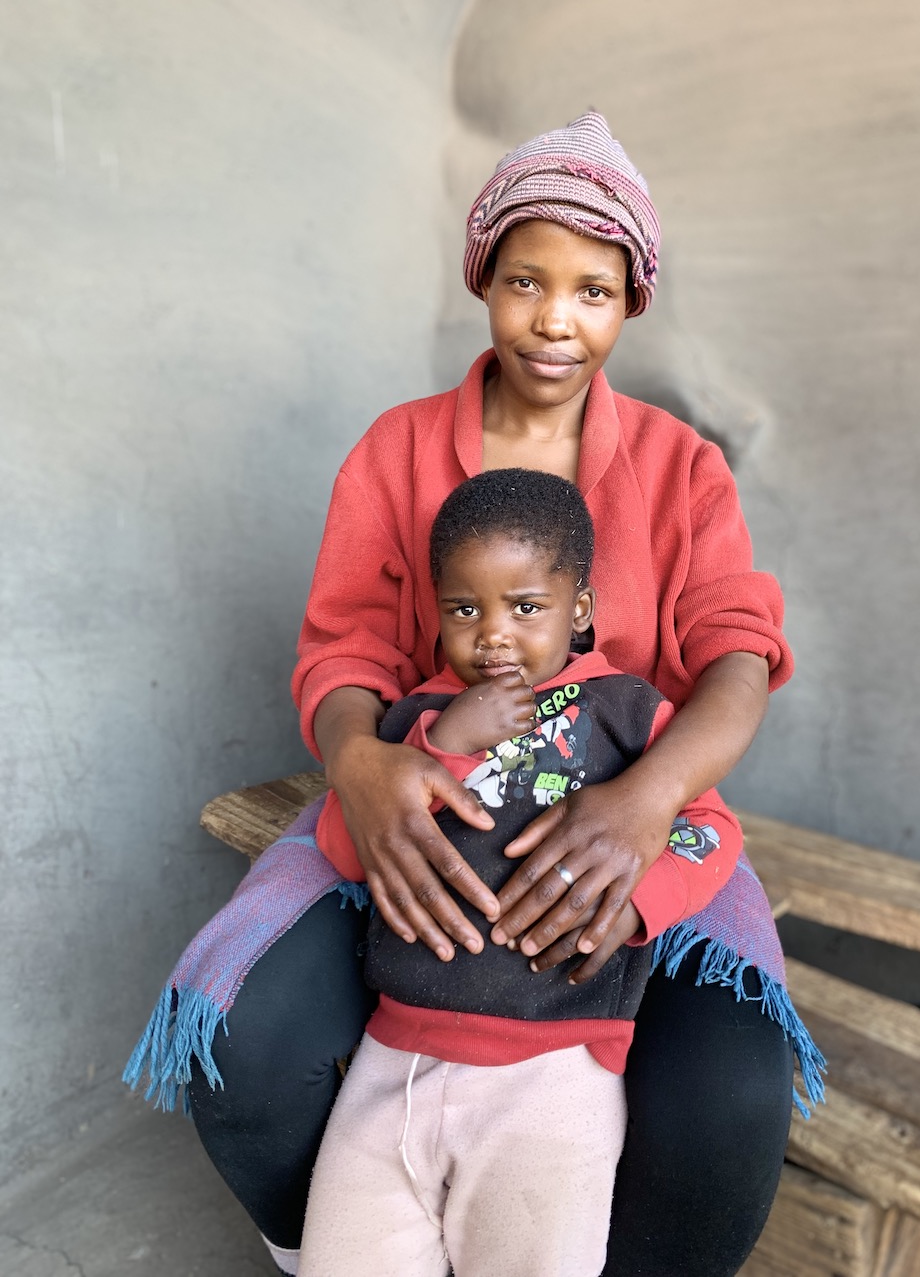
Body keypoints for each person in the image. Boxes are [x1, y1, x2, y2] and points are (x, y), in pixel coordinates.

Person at [125, 111, 823, 1277]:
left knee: (730, 1101)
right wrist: (361, 766)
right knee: (243, 1047)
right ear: (482, 279)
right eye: (525, 281)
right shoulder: (394, 452)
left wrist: (645, 804)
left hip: (631, 808)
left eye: (593, 290)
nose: (555, 319)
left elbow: (737, 659)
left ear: (631, 301)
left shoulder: (681, 469)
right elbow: (344, 651)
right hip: (422, 797)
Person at [300, 467, 742, 1277]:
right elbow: (342, 844)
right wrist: (442, 743)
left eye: (526, 607)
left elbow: (710, 830)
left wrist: (636, 904)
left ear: (581, 608)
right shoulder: (412, 719)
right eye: (465, 609)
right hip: (394, 1059)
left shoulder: (625, 711)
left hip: (554, 1069)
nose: (493, 636)